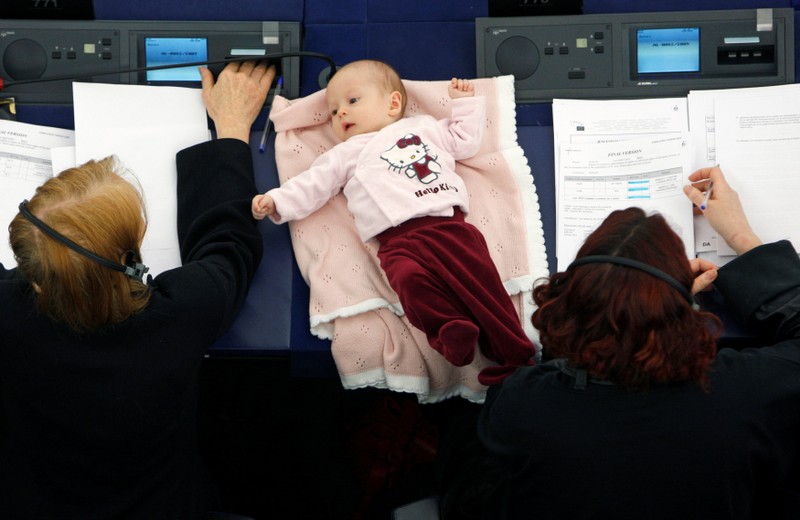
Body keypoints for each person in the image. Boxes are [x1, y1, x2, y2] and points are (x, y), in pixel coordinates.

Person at [0, 61, 275, 518]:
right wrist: (229, 130)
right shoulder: (183, 313)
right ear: (129, 262)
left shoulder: (8, 316)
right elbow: (229, 247)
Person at [475, 166, 800, 519]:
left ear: (569, 299)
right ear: (677, 310)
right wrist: (740, 236)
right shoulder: (741, 397)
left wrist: (629, 308)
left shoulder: (523, 405)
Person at [251, 59, 536, 384]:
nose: (340, 113)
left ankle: (516, 356)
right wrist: (277, 201)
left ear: (394, 103)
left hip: (450, 228)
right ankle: (449, 327)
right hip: (397, 244)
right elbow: (312, 184)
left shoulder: (424, 127)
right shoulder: (344, 154)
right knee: (410, 285)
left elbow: (464, 142)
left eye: (352, 101)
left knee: (484, 291)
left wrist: (465, 106)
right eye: (332, 111)